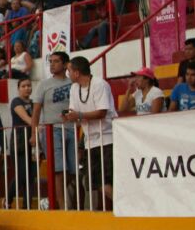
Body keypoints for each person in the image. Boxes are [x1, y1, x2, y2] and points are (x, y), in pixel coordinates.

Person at [62, 56, 115, 210]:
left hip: (108, 138)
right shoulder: (74, 88)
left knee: (106, 182)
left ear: (77, 72)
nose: (68, 74)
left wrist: (78, 116)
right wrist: (69, 117)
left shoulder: (100, 84)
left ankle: (124, 207)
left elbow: (101, 113)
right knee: (95, 182)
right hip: (89, 141)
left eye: (69, 71)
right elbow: (76, 114)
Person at [30, 51, 75, 210]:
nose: (52, 64)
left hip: (72, 128)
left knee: (73, 170)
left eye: (56, 61)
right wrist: (34, 133)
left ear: (65, 64)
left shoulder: (73, 83)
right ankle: (62, 206)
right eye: (51, 61)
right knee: (58, 169)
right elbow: (36, 111)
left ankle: (52, 198)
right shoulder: (44, 84)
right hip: (51, 129)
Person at [7, 79, 36, 209]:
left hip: (32, 139)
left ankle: (27, 205)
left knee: (30, 176)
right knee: (21, 174)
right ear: (18, 88)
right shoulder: (16, 101)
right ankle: (8, 200)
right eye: (23, 86)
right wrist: (38, 127)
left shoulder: (34, 103)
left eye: (29, 86)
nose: (27, 88)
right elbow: (26, 118)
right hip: (19, 140)